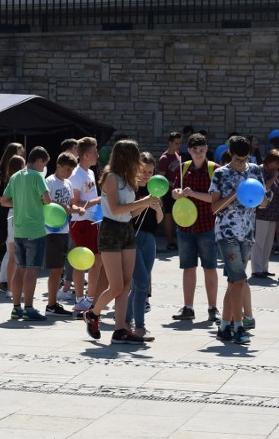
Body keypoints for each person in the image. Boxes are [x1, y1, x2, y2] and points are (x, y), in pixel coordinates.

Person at [83, 140, 160, 344]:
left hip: (127, 230)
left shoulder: (128, 179)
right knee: (116, 286)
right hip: (111, 230)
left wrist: (148, 204)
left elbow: (131, 213)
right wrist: (143, 201)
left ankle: (120, 330)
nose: (138, 161)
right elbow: (116, 209)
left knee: (126, 284)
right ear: (125, 157)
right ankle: (93, 314)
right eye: (135, 156)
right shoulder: (111, 177)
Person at [211, 136, 267, 345]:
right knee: (239, 278)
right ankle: (238, 326)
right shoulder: (220, 174)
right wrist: (235, 194)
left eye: (244, 159)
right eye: (237, 160)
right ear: (230, 155)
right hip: (226, 233)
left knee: (235, 282)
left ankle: (224, 326)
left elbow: (263, 202)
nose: (241, 164)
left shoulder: (254, 170)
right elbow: (214, 208)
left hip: (247, 233)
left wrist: (261, 199)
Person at [170, 133, 220, 323]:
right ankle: (188, 307)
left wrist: (194, 194)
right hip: (185, 226)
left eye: (201, 150)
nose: (198, 154)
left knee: (210, 267)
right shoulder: (183, 168)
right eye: (194, 150)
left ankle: (212, 308)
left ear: (206, 148)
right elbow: (175, 193)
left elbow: (215, 198)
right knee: (188, 267)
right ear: (189, 150)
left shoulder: (214, 169)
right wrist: (176, 193)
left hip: (207, 225)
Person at [1, 146, 52, 321]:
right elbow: (47, 200)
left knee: (20, 269)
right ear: (39, 161)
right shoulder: (37, 176)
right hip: (35, 230)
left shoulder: (15, 176)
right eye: (44, 164)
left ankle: (16, 308)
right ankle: (29, 308)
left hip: (19, 229)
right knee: (32, 270)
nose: (43, 168)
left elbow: (4, 201)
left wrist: (21, 203)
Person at [128, 152, 163, 341]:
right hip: (132, 238)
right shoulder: (131, 189)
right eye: (143, 171)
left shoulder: (156, 188)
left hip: (150, 239)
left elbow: (159, 220)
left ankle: (126, 321)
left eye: (150, 171)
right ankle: (139, 326)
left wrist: (157, 208)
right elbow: (130, 214)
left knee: (140, 285)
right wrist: (146, 202)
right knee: (141, 283)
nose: (147, 175)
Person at [69, 137, 103, 312]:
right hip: (81, 222)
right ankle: (80, 298)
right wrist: (98, 200)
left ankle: (90, 297)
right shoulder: (76, 175)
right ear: (87, 155)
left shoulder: (90, 172)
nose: (98, 154)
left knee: (97, 260)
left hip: (93, 220)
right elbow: (74, 203)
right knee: (82, 261)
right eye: (95, 152)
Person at [44, 151, 79, 317]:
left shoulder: (68, 183)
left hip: (65, 229)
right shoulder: (49, 181)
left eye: (71, 171)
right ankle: (51, 304)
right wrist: (64, 207)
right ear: (58, 166)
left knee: (60, 268)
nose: (69, 174)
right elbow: (46, 202)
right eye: (67, 170)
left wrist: (76, 209)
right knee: (56, 268)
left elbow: (70, 204)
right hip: (52, 230)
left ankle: (53, 303)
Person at [0, 142, 24, 294]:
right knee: (10, 248)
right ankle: (4, 281)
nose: (21, 155)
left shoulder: (19, 175)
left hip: (11, 209)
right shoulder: (0, 173)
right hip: (3, 211)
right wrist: (12, 202)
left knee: (10, 249)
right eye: (19, 152)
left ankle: (4, 281)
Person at [250, 150, 279, 278]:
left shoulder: (272, 172)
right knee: (259, 242)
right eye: (275, 163)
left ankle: (264, 268)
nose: (277, 166)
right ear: (269, 161)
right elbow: (263, 188)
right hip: (261, 212)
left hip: (273, 212)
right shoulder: (259, 170)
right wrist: (274, 177)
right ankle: (256, 269)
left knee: (268, 242)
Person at [158, 131, 183, 251]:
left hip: (178, 191)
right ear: (170, 142)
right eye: (176, 143)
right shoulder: (164, 158)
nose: (178, 146)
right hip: (168, 191)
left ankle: (181, 240)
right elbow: (161, 178)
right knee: (169, 215)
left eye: (180, 143)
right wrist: (174, 184)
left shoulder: (178, 154)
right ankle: (170, 242)